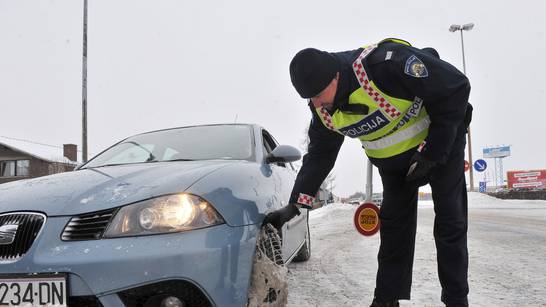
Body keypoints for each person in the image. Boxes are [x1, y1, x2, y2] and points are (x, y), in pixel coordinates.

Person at [263, 38, 472, 307]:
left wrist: (432, 153)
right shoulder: (324, 110)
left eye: (319, 94)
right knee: (394, 228)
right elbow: (319, 155)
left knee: (450, 221)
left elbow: (455, 87)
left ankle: (456, 300)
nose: (317, 103)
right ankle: (385, 300)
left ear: (336, 75)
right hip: (395, 166)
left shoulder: (386, 65)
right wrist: (296, 204)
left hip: (439, 144)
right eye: (310, 98)